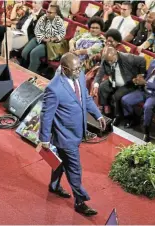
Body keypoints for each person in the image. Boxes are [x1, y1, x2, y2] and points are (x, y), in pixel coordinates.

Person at [39, 52, 106, 216]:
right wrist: (44, 139)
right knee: (74, 168)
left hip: (78, 131)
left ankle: (54, 185)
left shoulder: (80, 75)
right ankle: (80, 201)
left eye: (80, 67)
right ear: (64, 68)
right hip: (65, 136)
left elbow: (85, 98)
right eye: (75, 69)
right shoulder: (53, 88)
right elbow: (46, 115)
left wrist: (98, 114)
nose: (79, 71)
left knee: (61, 162)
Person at [121, 47, 155, 142]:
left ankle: (146, 132)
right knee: (125, 100)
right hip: (144, 91)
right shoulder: (154, 62)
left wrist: (145, 83)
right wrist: (140, 77)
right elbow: (147, 75)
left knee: (147, 107)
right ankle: (134, 119)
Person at [91, 47, 146, 126]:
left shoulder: (127, 57)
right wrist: (96, 85)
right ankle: (107, 111)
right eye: (107, 61)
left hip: (128, 83)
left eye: (111, 60)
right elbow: (99, 74)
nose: (109, 63)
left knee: (116, 96)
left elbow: (142, 60)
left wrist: (141, 74)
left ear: (115, 55)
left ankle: (119, 116)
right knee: (102, 87)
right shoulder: (106, 59)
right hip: (113, 81)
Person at [21, 4, 65, 73]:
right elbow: (36, 30)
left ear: (56, 14)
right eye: (47, 11)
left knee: (34, 53)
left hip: (50, 44)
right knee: (24, 52)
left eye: (50, 12)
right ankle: (24, 69)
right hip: (40, 38)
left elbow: (61, 35)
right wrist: (42, 38)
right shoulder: (43, 17)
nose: (47, 13)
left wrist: (51, 39)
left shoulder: (60, 21)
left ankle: (30, 74)